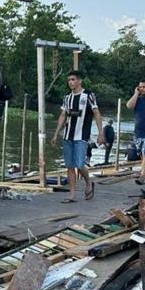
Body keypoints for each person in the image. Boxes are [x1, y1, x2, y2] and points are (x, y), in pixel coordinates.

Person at [51, 70, 104, 203]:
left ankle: (88, 182)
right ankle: (72, 194)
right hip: (68, 135)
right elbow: (63, 116)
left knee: (80, 164)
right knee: (69, 165)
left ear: (79, 81)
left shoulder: (88, 95)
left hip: (82, 135)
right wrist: (56, 133)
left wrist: (100, 132)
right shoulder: (67, 97)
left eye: (73, 79)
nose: (71, 82)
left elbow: (96, 113)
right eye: (69, 80)